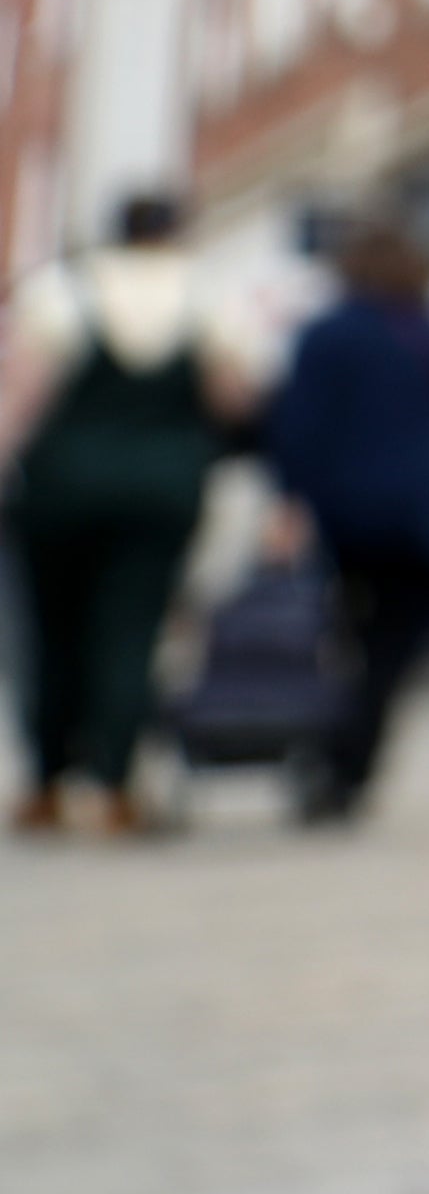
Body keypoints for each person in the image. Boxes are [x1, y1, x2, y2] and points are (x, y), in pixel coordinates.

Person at [2, 193, 251, 839]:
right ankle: (115, 784)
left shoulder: (62, 292)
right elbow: (233, 397)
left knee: (53, 632)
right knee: (132, 633)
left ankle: (47, 780)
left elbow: (21, 397)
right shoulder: (205, 296)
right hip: (161, 489)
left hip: (63, 486)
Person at [255, 214, 429, 825]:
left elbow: (295, 429)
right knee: (393, 645)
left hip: (345, 513)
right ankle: (350, 758)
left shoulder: (325, 335)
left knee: (339, 640)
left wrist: (287, 503)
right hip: (421, 514)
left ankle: (333, 752)